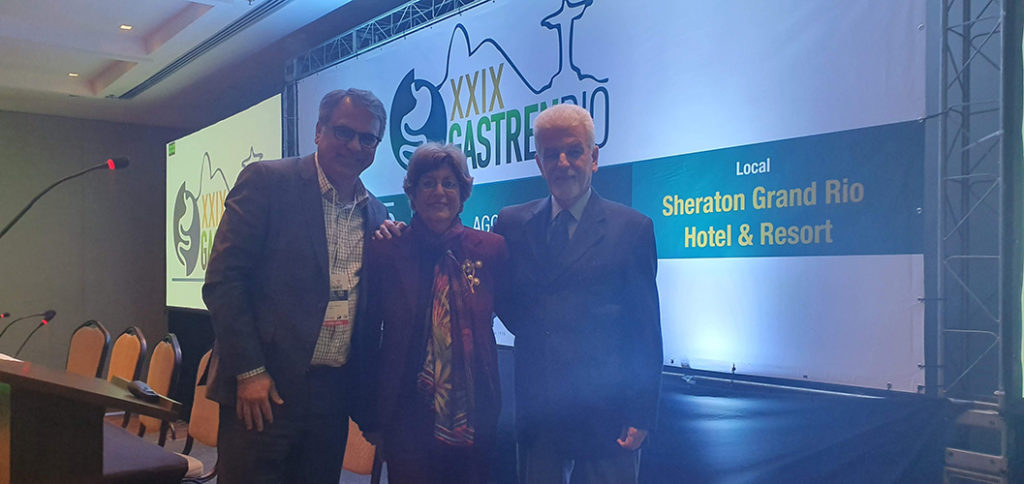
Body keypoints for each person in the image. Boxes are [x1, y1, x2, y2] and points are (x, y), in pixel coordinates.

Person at [202, 88, 389, 483]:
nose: (355, 146)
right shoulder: (268, 182)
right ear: (319, 131)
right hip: (262, 390)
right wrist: (249, 372)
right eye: (344, 132)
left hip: (331, 397)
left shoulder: (375, 213)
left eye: (367, 138)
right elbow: (224, 280)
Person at [491, 103, 662, 484]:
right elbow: (502, 297)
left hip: (608, 417)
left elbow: (645, 330)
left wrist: (641, 413)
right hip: (539, 414)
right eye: (551, 154)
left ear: (594, 157)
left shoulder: (632, 229)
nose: (563, 163)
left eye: (574, 151)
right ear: (539, 163)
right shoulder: (511, 224)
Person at [362, 143, 507, 484]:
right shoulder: (387, 249)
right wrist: (370, 416)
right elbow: (367, 335)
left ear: (463, 193)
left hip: (473, 416)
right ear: (412, 194)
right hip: (405, 417)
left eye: (449, 183)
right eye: (428, 183)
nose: (439, 192)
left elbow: (517, 312)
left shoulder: (490, 250)